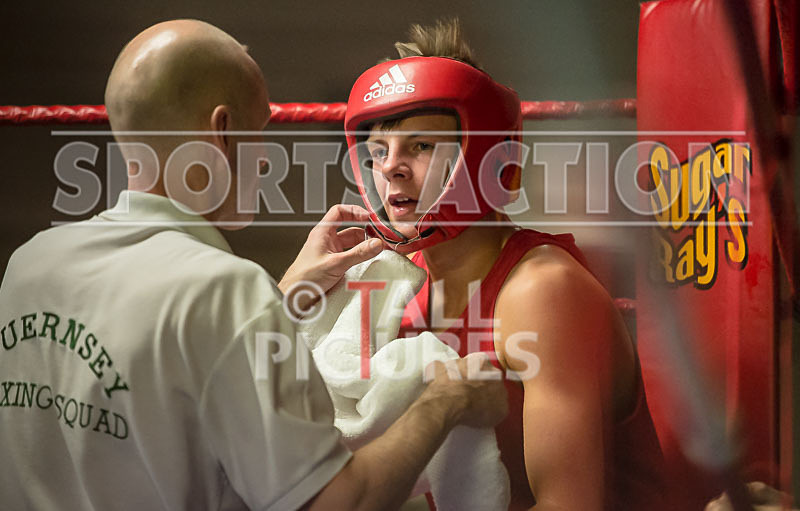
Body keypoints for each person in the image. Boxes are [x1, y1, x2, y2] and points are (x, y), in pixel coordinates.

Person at [0, 19, 509, 511]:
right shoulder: (225, 290)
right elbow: (337, 504)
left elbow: (152, 373)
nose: (264, 159)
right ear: (222, 131)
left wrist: (284, 295)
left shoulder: (29, 265)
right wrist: (446, 398)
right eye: (259, 131)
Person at [343, 19, 666, 510]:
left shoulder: (541, 291)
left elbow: (568, 505)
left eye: (422, 145)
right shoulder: (396, 290)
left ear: (490, 161)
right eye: (378, 151)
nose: (390, 167)